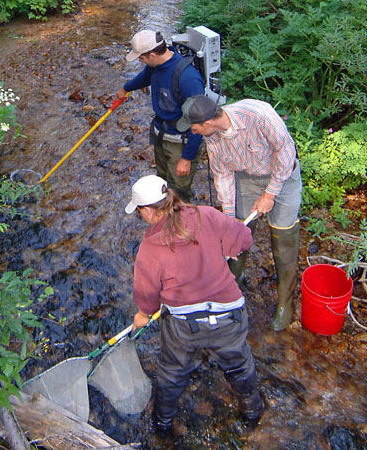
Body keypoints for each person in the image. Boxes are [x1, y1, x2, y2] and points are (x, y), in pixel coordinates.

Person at [126, 174, 263, 435]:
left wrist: (143, 314)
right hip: (230, 315)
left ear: (147, 210)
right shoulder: (207, 215)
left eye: (139, 212)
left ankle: (162, 426)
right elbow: (244, 239)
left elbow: (147, 293)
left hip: (184, 326)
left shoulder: (150, 246)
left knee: (171, 373)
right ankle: (252, 411)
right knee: (238, 364)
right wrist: (224, 247)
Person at [177, 95, 302, 331]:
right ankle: (232, 283)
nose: (192, 133)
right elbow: (222, 174)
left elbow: (286, 151)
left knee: (283, 241)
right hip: (245, 179)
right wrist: (230, 216)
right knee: (238, 231)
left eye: (193, 128)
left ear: (206, 122)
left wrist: (270, 194)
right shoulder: (211, 137)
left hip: (284, 179)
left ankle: (286, 304)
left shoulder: (258, 115)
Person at [115, 30, 205, 202]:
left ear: (154, 54)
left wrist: (187, 158)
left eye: (141, 57)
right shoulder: (154, 66)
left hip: (181, 140)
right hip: (161, 132)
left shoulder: (188, 78)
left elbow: (199, 122)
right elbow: (144, 77)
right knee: (162, 180)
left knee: (178, 190)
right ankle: (164, 214)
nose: (140, 61)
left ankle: (181, 221)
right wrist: (126, 88)